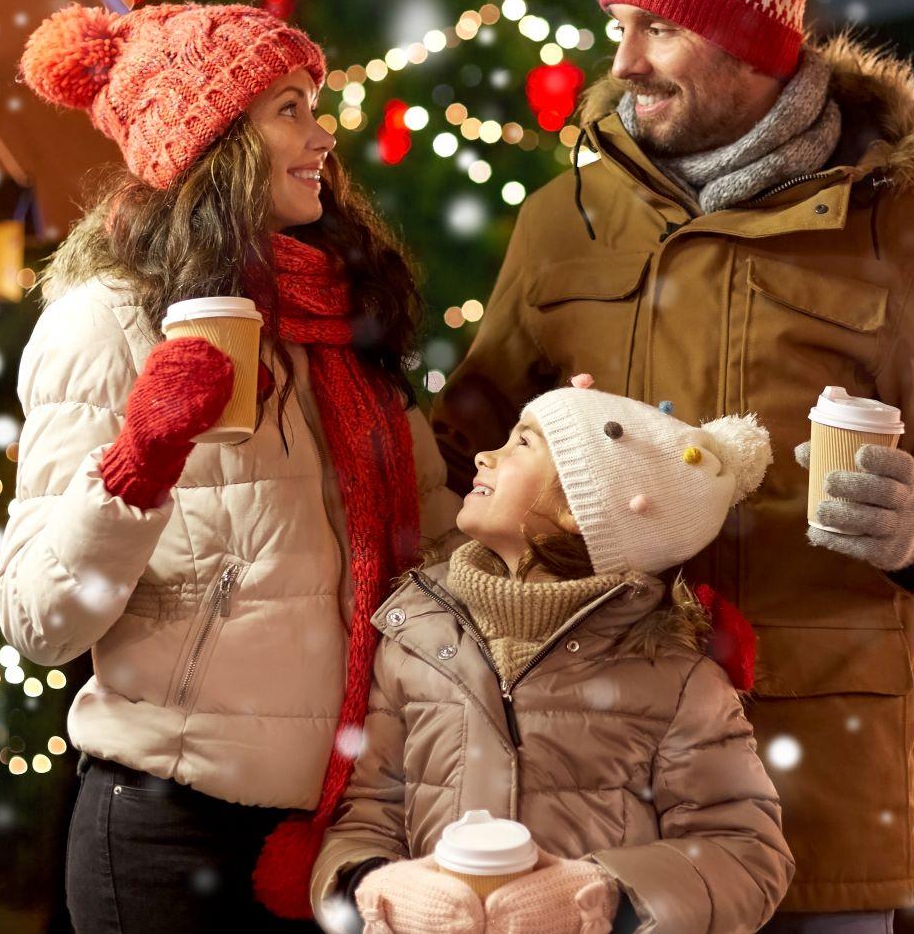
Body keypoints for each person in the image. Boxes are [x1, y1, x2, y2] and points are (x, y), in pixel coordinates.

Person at [435, 0, 914, 930]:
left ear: (751, 45)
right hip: (597, 779)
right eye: (617, 28)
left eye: (655, 32)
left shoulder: (902, 231)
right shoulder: (559, 221)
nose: (621, 64)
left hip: (806, 782)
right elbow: (460, 455)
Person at [0, 2, 456, 932]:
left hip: (347, 830)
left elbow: (434, 555)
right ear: (212, 142)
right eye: (289, 108)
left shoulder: (345, 316)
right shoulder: (106, 322)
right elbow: (37, 620)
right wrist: (142, 458)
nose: (322, 135)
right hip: (172, 831)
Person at [314, 378, 794, 933]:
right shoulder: (414, 640)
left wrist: (604, 898)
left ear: (579, 507)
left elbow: (746, 854)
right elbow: (369, 817)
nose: (483, 454)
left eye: (521, 444)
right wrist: (374, 887)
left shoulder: (678, 679)